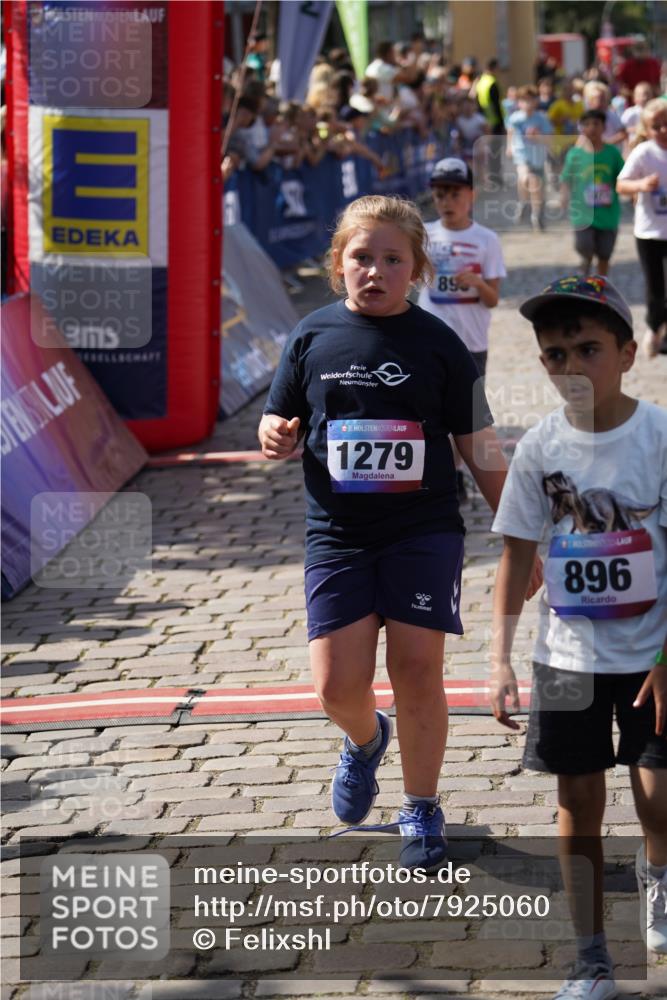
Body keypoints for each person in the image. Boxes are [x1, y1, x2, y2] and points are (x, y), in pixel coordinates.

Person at [258, 194, 537, 871]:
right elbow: (280, 418)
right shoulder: (311, 336)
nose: (374, 271)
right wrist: (273, 433)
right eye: (361, 257)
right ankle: (363, 741)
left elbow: (478, 444)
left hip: (422, 530)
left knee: (417, 670)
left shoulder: (438, 343)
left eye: (391, 259)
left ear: (414, 271)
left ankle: (420, 805)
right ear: (337, 264)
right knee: (336, 687)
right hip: (338, 534)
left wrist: (520, 539)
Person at [489, 273, 667, 1000]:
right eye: (555, 354)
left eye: (587, 349)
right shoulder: (538, 447)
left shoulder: (657, 435)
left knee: (658, 799)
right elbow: (515, 550)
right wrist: (499, 656)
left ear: (626, 353)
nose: (570, 367)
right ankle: (591, 956)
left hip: (650, 654)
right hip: (562, 658)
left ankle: (656, 874)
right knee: (577, 799)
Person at [418, 157, 506, 499]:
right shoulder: (423, 234)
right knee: (430, 408)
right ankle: (441, 473)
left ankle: (455, 471)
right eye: (440, 195)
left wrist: (476, 283)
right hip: (430, 337)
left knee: (465, 415)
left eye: (454, 194)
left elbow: (494, 298)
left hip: (471, 341)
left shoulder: (487, 239)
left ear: (471, 195)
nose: (446, 202)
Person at [617, 98, 667, 357]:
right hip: (649, 231)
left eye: (666, 124)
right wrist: (642, 185)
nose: (663, 130)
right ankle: (653, 327)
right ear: (647, 130)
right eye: (656, 126)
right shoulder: (644, 152)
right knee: (655, 288)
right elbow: (621, 184)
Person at [560, 110, 625, 277]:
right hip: (583, 213)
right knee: (584, 246)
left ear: (604, 127)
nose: (592, 128)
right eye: (587, 124)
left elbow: (623, 176)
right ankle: (585, 271)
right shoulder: (575, 155)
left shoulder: (612, 153)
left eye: (596, 124)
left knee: (605, 253)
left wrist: (630, 193)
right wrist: (564, 197)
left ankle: (601, 283)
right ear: (581, 129)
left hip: (608, 214)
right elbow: (566, 178)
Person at [507, 84, 554, 231]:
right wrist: (509, 146)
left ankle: (536, 213)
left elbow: (549, 138)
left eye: (530, 100)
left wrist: (537, 137)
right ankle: (523, 202)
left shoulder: (541, 118)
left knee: (537, 187)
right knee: (525, 177)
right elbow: (511, 132)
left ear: (536, 101)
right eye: (524, 100)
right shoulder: (515, 117)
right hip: (522, 154)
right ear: (519, 102)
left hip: (538, 156)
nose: (527, 104)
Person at [621, 82, 655, 149]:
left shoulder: (654, 111)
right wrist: (636, 129)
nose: (644, 98)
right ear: (634, 98)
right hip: (634, 143)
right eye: (641, 95)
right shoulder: (630, 112)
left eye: (647, 95)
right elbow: (622, 129)